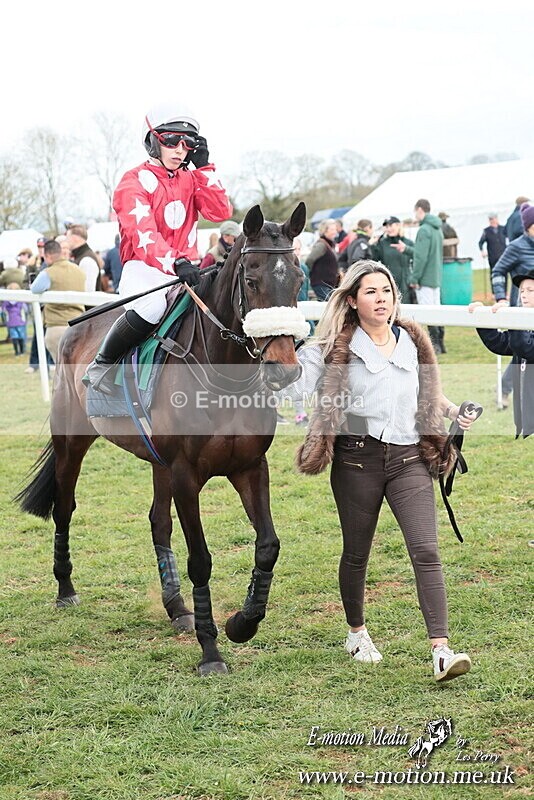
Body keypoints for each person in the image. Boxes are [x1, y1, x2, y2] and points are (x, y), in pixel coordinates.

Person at [283, 260, 478, 681]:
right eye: (371, 292)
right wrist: (282, 351)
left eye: (386, 290)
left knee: (426, 551)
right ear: (352, 300)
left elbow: (429, 391)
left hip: (409, 458)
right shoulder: (334, 347)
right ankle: (356, 633)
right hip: (357, 460)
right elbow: (293, 383)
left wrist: (452, 410)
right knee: (357, 553)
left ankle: (441, 651)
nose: (381, 299)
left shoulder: (412, 339)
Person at [85, 101, 233, 393]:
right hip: (144, 269)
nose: (180, 149)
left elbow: (220, 213)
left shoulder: (192, 179)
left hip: (186, 271)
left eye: (188, 142)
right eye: (171, 141)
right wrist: (176, 261)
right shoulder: (132, 181)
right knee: (153, 308)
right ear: (153, 141)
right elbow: (143, 234)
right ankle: (102, 364)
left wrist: (205, 168)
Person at [469, 270, 534, 437]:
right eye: (522, 291)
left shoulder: (523, 323)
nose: (524, 295)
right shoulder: (526, 323)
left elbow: (525, 347)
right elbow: (501, 343)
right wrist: (481, 318)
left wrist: (512, 318)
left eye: (530, 290)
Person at [30, 240, 86, 364]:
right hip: (79, 325)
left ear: (48, 256)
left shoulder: (48, 273)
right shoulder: (79, 271)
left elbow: (34, 289)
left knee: (62, 370)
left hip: (56, 326)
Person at [409, 199, 445, 354]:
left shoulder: (424, 229)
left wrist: (414, 278)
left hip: (425, 277)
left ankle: (433, 345)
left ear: (419, 209)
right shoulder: (437, 228)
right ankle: (441, 344)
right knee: (437, 311)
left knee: (427, 312)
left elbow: (420, 257)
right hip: (435, 276)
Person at [371, 216, 414, 300]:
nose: (388, 229)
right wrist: (373, 246)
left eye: (391, 226)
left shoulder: (408, 242)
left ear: (398, 225)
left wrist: (412, 278)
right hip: (389, 282)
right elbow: (373, 261)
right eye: (386, 227)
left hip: (406, 284)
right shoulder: (382, 243)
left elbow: (417, 260)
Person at [307, 218, 339, 301]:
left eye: (335, 229)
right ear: (325, 230)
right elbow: (309, 260)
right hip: (321, 284)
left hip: (328, 284)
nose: (335, 232)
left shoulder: (330, 244)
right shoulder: (321, 245)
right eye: (332, 229)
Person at [65, 225, 101, 292]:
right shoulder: (81, 256)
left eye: (67, 238)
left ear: (75, 238)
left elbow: (88, 291)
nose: (66, 241)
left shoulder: (87, 260)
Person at [1, 283, 28, 355]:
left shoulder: (6, 302)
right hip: (21, 322)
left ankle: (17, 352)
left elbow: (2, 311)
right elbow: (26, 310)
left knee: (14, 337)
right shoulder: (21, 301)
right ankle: (22, 351)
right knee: (21, 336)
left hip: (11, 322)